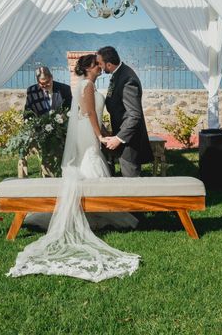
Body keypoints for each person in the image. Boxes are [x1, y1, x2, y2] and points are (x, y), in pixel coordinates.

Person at [8, 54, 139, 282]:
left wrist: (105, 133)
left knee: (90, 163)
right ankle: (96, 208)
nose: (100, 68)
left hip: (87, 131)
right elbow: (88, 114)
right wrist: (100, 135)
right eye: (97, 65)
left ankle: (94, 209)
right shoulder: (86, 85)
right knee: (90, 162)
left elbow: (91, 114)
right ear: (89, 67)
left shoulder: (83, 84)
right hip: (87, 133)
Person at [97, 46, 153, 177]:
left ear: (109, 64)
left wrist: (119, 138)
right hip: (121, 134)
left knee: (131, 179)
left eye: (100, 63)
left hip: (130, 141)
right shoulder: (118, 73)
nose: (99, 66)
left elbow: (134, 115)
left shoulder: (128, 80)